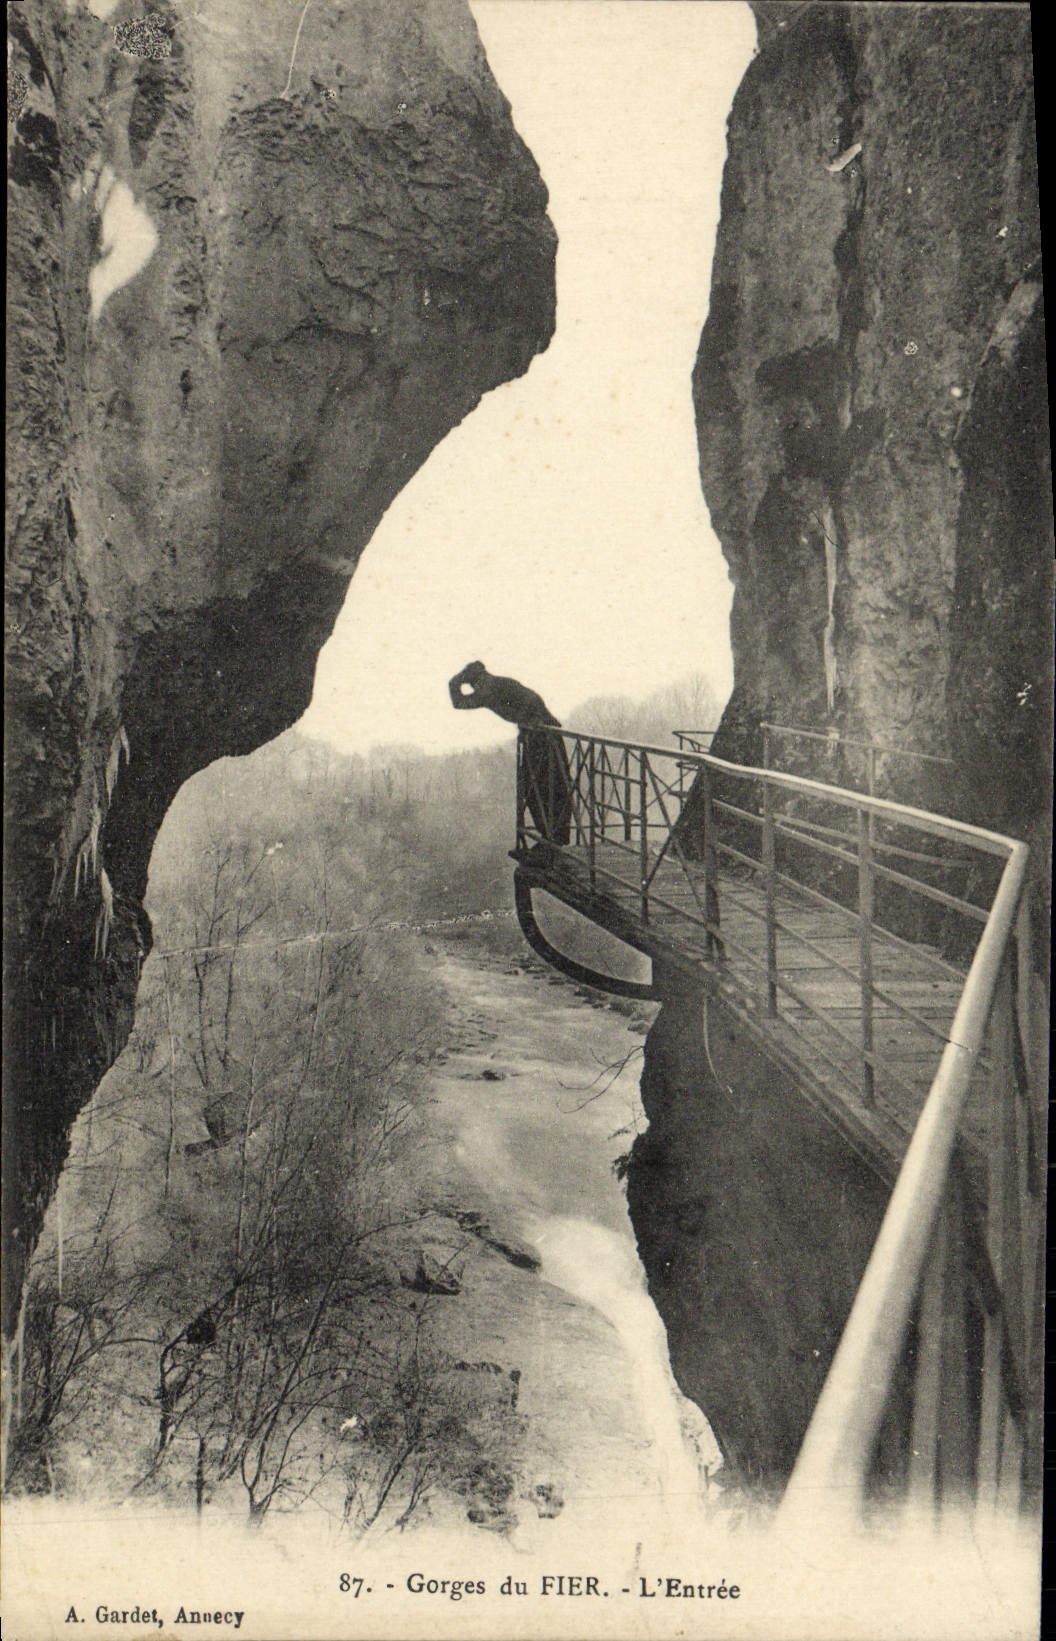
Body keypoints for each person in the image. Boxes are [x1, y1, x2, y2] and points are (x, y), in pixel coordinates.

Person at [449, 662, 572, 846]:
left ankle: (553, 839)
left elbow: (459, 703)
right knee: (543, 787)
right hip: (541, 735)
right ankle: (552, 838)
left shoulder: (488, 688)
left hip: (542, 736)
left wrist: (455, 681)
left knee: (542, 787)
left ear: (476, 680)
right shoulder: (496, 683)